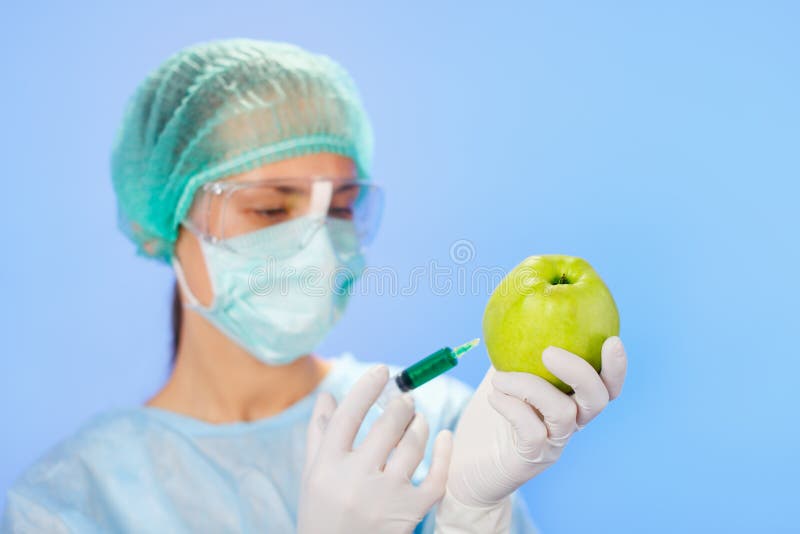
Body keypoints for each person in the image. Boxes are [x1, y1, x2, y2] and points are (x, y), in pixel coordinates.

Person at [1, 38, 627, 533]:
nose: (319, 249)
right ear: (167, 219)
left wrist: (471, 518)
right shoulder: (69, 503)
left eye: (341, 208)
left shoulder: (437, 427)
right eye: (271, 210)